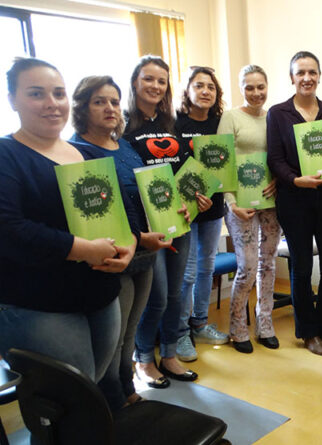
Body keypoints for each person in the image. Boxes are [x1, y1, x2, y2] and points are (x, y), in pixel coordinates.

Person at [0, 58, 136, 384]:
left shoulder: (90, 156)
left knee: (89, 394)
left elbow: (123, 212)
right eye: (36, 94)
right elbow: (6, 230)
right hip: (34, 304)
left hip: (100, 298)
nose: (51, 104)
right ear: (12, 100)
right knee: (64, 409)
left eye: (58, 93)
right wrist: (83, 249)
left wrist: (128, 244)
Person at [70, 75, 172, 409]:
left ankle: (128, 389)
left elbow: (142, 195)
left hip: (145, 253)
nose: (110, 108)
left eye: (114, 101)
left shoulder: (125, 146)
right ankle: (114, 402)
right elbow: (98, 213)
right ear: (83, 108)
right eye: (99, 101)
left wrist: (169, 211)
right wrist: (140, 237)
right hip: (114, 257)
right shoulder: (75, 151)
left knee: (131, 332)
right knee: (113, 339)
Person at [124, 55, 197, 388]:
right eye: (148, 79)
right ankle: (143, 359)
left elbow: (182, 172)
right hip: (146, 227)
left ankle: (169, 355)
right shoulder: (122, 125)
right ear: (135, 82)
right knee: (157, 296)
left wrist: (194, 200)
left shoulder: (172, 123)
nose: (155, 86)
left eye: (162, 81)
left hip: (178, 220)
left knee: (176, 295)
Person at [266, 51, 322, 356]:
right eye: (300, 73)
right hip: (294, 198)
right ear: (292, 78)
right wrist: (296, 180)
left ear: (319, 75)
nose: (307, 78)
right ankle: (308, 332)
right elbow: (275, 158)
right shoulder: (278, 113)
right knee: (302, 266)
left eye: (312, 72)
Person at [219, 65, 281, 353]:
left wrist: (279, 182)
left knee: (268, 264)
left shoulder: (275, 118)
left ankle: (264, 322)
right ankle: (237, 326)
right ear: (241, 89)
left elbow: (282, 157)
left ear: (267, 87)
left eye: (260, 87)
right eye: (249, 87)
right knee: (247, 267)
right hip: (240, 204)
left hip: (270, 202)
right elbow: (220, 162)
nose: (256, 93)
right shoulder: (230, 117)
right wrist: (231, 203)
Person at [175, 66, 230, 362]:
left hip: (214, 205)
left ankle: (199, 322)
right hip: (184, 210)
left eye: (210, 86)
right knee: (188, 271)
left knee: (206, 266)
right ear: (188, 91)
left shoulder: (221, 124)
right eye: (199, 86)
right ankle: (181, 331)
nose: (205, 91)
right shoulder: (175, 124)